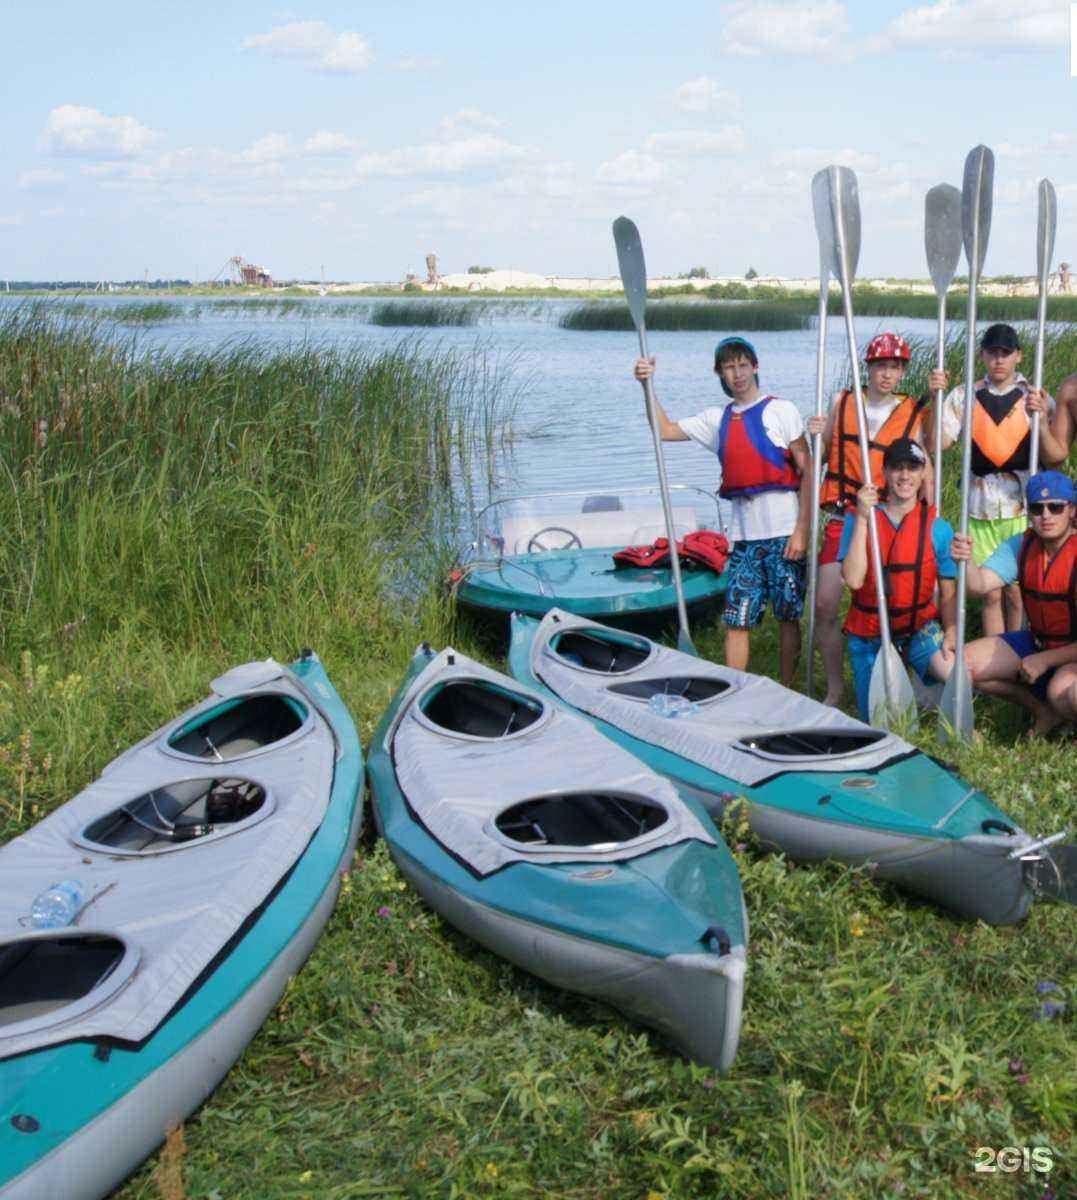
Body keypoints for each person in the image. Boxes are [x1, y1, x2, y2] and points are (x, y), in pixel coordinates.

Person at [634, 336, 812, 685]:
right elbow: (664, 430)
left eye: (743, 365)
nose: (737, 374)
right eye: (729, 367)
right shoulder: (718, 419)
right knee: (737, 618)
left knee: (788, 615)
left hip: (783, 532)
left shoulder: (783, 410)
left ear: (755, 366)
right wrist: (646, 385)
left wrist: (802, 530)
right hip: (743, 538)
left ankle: (789, 690)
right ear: (720, 373)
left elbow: (807, 471)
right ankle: (737, 690)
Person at [805, 332, 933, 707]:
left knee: (891, 600)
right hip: (843, 512)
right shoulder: (843, 401)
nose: (887, 374)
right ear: (869, 367)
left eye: (895, 367)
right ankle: (834, 686)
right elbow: (823, 450)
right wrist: (814, 434)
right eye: (881, 366)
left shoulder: (912, 411)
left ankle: (903, 675)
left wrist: (927, 515)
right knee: (826, 603)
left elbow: (925, 465)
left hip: (886, 516)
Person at [927, 323, 1065, 634]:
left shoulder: (1037, 396)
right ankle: (994, 652)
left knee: (1016, 591)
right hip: (979, 507)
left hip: (1022, 508)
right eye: (992, 353)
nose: (999, 360)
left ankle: (1015, 649)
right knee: (989, 592)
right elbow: (938, 443)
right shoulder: (964, 395)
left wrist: (1041, 420)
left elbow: (1056, 455)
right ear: (982, 356)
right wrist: (936, 397)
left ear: (1018, 355)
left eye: (1006, 353)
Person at [839, 438, 957, 722]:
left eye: (913, 468)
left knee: (957, 676)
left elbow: (949, 589)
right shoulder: (858, 520)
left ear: (922, 474)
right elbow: (854, 580)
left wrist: (951, 629)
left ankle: (923, 687)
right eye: (897, 468)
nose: (905, 476)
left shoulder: (938, 528)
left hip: (919, 630)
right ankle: (913, 691)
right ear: (885, 473)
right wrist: (864, 519)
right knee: (878, 720)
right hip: (870, 634)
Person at [950, 470, 1077, 735]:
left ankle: (1069, 725)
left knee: (1064, 693)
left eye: (1055, 507)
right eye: (1037, 508)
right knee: (962, 665)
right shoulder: (1020, 545)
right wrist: (966, 559)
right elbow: (977, 586)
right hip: (1039, 640)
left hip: (1070, 652)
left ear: (1072, 510)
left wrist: (1044, 660)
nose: (1046, 516)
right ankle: (1043, 712)